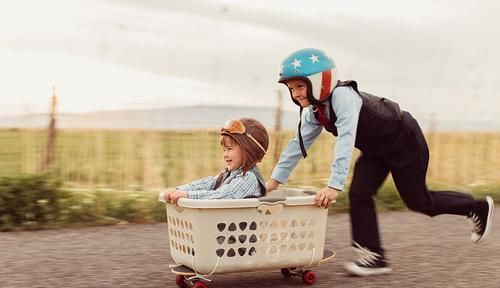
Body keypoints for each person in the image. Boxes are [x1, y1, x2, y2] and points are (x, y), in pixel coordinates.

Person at [265, 48, 495, 276]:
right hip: (376, 150)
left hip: (404, 140)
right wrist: (274, 182)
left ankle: (476, 207)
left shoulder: (343, 97)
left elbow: (345, 140)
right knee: (359, 193)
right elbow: (297, 144)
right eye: (291, 88)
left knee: (419, 202)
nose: (295, 93)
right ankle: (374, 257)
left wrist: (334, 185)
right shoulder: (315, 111)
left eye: (300, 86)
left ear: (320, 81)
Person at [160, 118, 269, 204]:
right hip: (224, 230)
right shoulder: (232, 173)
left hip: (241, 231)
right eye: (224, 150)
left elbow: (223, 195)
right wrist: (178, 190)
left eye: (229, 149)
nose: (225, 155)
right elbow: (208, 183)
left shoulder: (248, 177)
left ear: (248, 150)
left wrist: (187, 195)